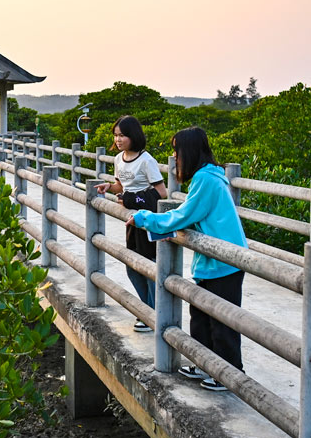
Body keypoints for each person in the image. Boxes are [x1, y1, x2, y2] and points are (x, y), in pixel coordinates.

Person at [127, 126, 247, 392]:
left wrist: (145, 218)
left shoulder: (206, 179)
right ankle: (205, 364)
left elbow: (183, 215)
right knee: (201, 315)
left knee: (222, 320)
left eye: (176, 151)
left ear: (188, 151)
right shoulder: (207, 177)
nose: (174, 158)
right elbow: (189, 215)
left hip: (225, 261)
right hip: (213, 260)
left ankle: (228, 373)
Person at [96, 115, 167, 332]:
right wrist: (110, 187)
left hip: (147, 220)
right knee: (132, 266)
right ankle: (146, 310)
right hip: (131, 220)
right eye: (116, 135)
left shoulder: (147, 160)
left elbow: (161, 193)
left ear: (133, 136)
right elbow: (122, 186)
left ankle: (152, 315)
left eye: (123, 135)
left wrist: (131, 199)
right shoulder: (118, 159)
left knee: (148, 266)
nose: (118, 140)